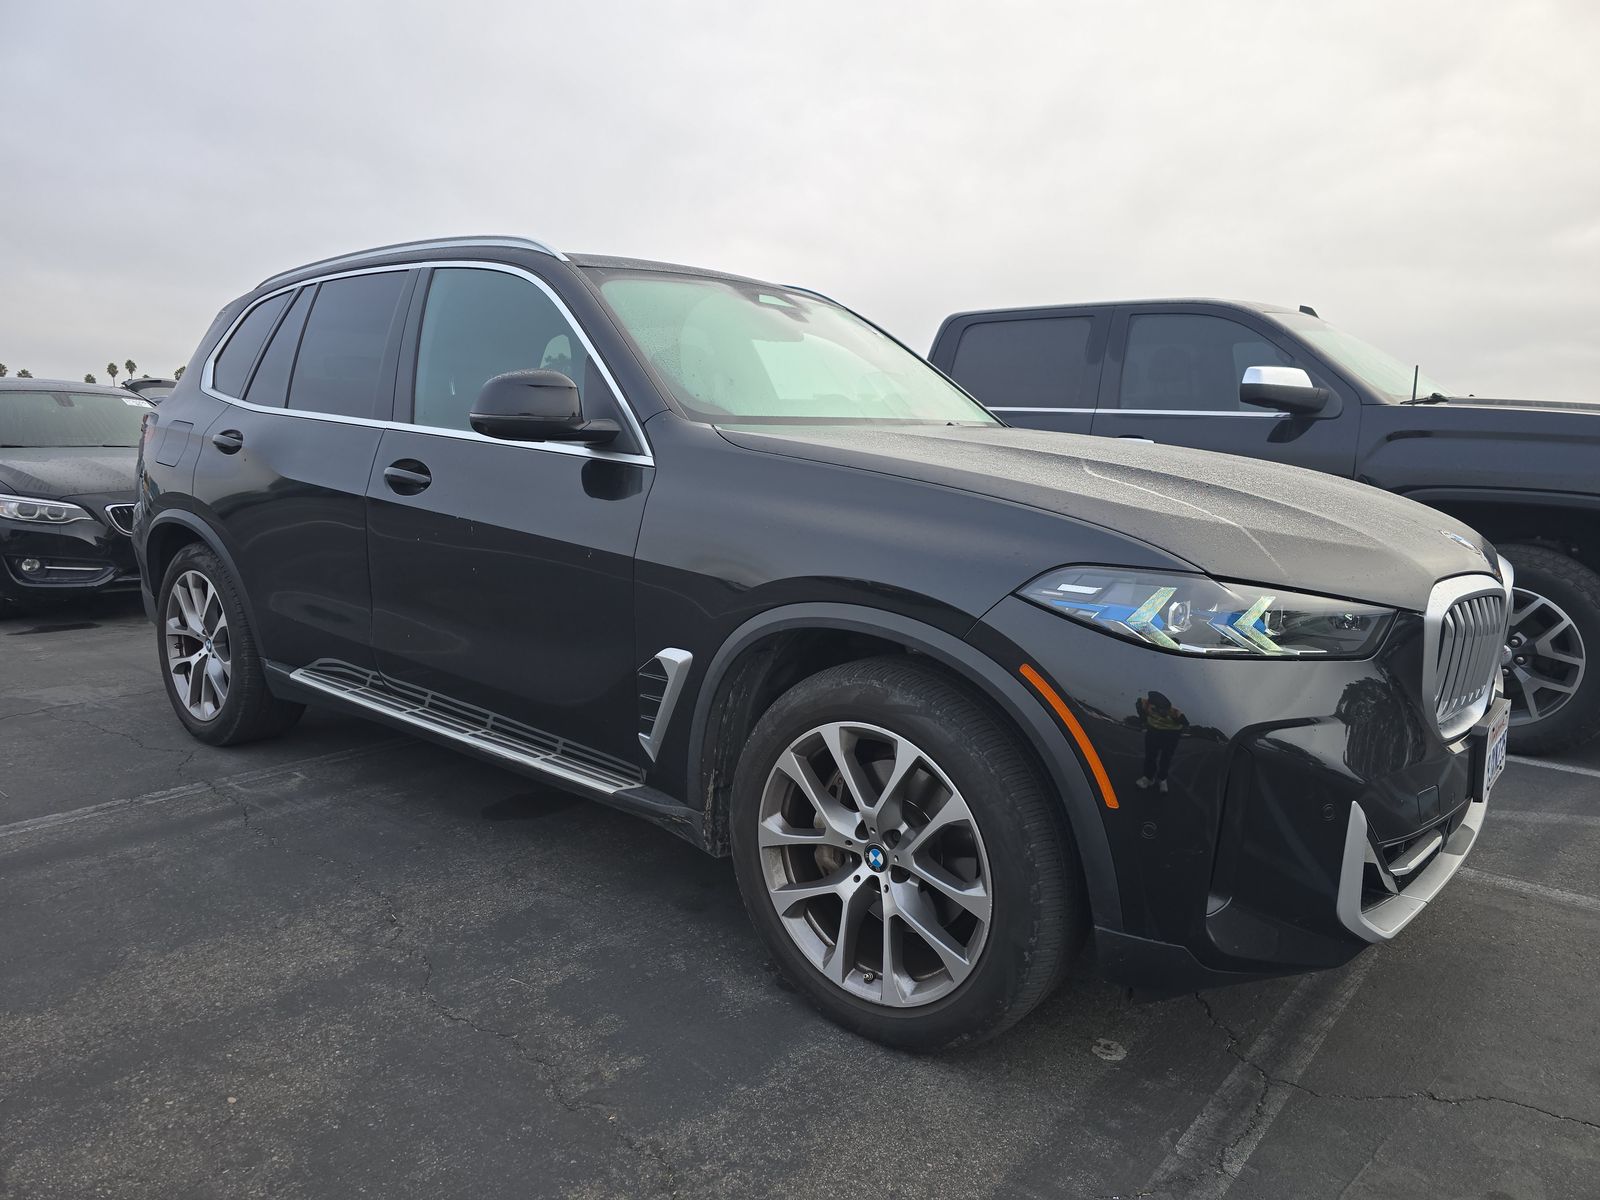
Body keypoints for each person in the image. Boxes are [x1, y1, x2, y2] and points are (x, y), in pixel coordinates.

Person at [1134, 691, 1189, 792]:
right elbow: (1139, 705)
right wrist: (1143, 720)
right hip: (1153, 729)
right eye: (1162, 710)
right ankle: (1148, 777)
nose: (1165, 712)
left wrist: (1179, 733)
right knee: (1150, 755)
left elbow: (1186, 724)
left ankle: (1162, 779)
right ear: (1154, 706)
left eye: (1167, 709)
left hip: (1172, 733)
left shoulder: (1175, 713)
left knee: (1166, 757)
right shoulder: (1145, 704)